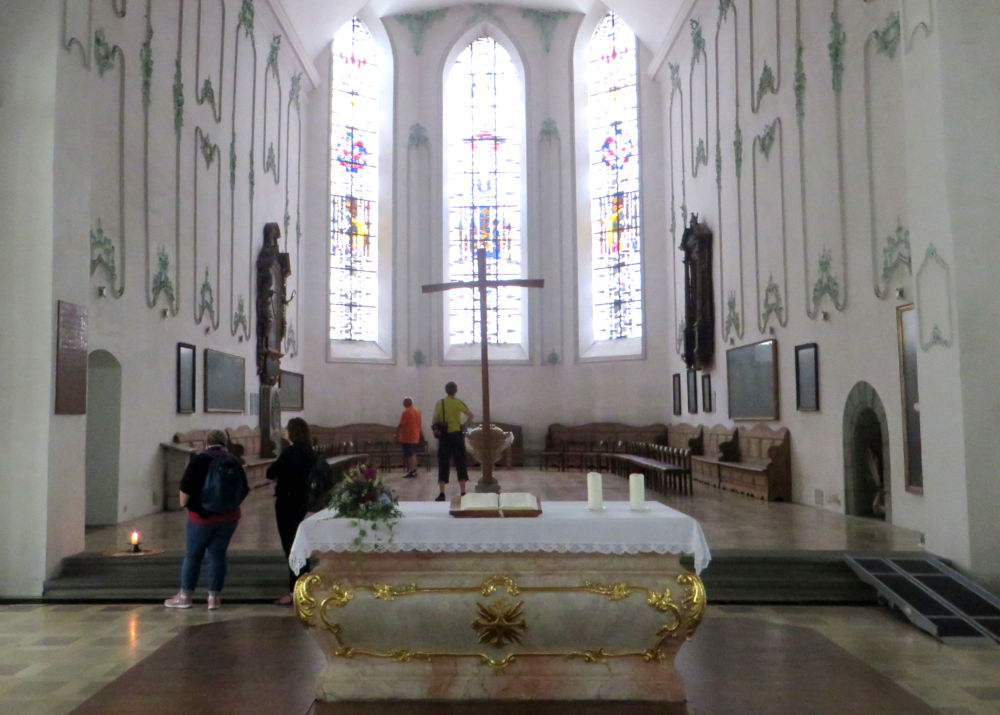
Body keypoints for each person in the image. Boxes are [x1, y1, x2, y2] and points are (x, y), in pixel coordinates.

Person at [164, 430, 248, 610]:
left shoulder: (200, 460)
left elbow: (185, 488)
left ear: (206, 443)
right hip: (229, 517)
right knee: (217, 555)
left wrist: (186, 505)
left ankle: (185, 596)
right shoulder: (234, 461)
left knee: (193, 555)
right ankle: (214, 598)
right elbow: (244, 489)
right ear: (225, 443)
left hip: (201, 518)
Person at [266, 417, 316, 605]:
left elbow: (270, 472)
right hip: (303, 502)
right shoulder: (309, 452)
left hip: (287, 503)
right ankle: (306, 586)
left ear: (292, 432)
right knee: (300, 544)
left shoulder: (290, 452)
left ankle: (296, 591)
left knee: (291, 547)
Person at [432, 381, 473, 501]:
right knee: (460, 461)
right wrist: (463, 425)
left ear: (446, 390)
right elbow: (471, 415)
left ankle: (442, 493)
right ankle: (463, 491)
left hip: (444, 436)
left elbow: (435, 420)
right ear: (456, 390)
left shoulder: (440, 403)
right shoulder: (458, 402)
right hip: (456, 435)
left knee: (443, 462)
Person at [396, 397, 423, 479]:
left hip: (408, 436)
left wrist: (397, 434)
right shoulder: (417, 411)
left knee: (409, 454)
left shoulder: (406, 412)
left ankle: (411, 471)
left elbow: (401, 424)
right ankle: (414, 470)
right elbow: (419, 424)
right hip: (415, 435)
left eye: (404, 402)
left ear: (406, 403)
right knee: (413, 453)